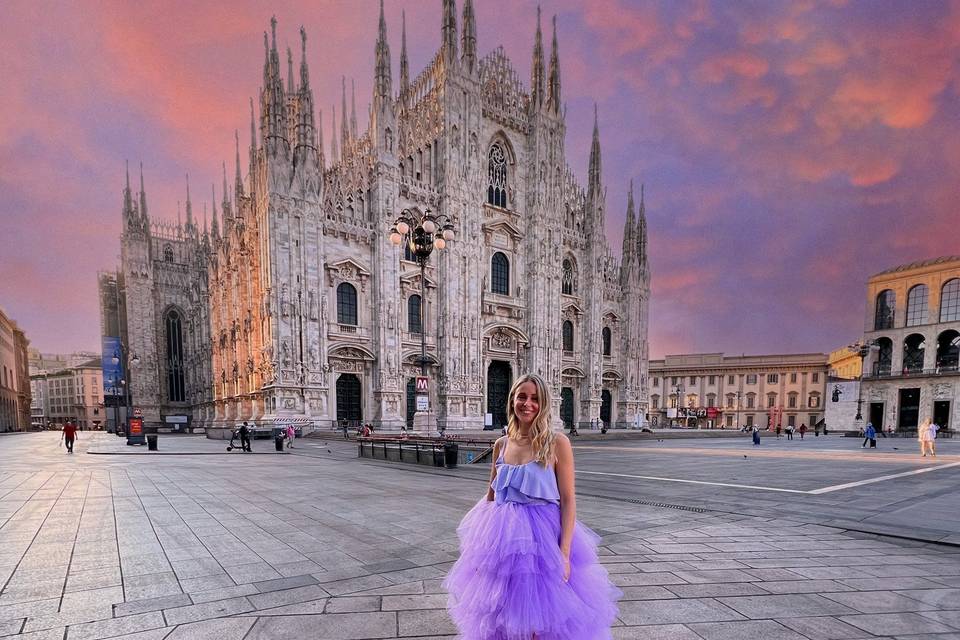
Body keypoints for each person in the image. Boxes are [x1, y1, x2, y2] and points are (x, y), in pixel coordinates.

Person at [444, 374, 620, 638]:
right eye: (522, 397)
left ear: (544, 404)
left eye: (535, 399)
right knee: (502, 619)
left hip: (543, 542)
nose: (528, 404)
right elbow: (491, 497)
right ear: (512, 399)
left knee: (541, 623)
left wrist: (564, 552)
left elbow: (569, 500)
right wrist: (478, 551)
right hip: (502, 543)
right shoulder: (500, 444)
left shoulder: (557, 442)